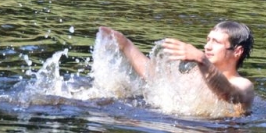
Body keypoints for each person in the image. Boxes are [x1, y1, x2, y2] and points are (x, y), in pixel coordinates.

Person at [99, 21, 254, 113]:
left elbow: (228, 94)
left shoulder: (244, 85)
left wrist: (201, 60)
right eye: (208, 40)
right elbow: (158, 80)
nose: (207, 46)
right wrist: (126, 45)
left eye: (216, 42)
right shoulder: (197, 72)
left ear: (237, 51)